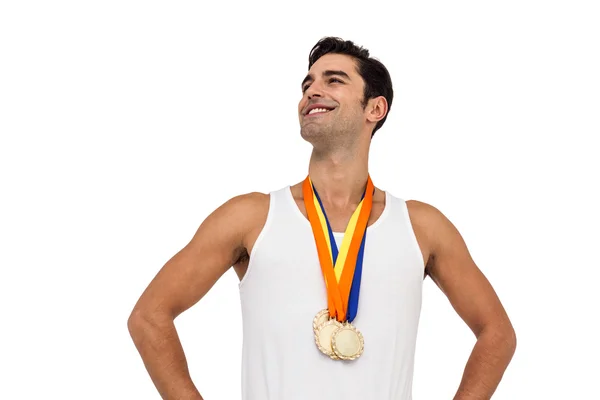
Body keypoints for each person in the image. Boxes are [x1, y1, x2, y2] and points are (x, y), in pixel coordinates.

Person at [127, 36, 517, 400]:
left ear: (374, 108)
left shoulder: (423, 227)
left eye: (334, 81)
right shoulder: (250, 218)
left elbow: (497, 333)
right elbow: (149, 316)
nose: (312, 91)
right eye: (307, 84)